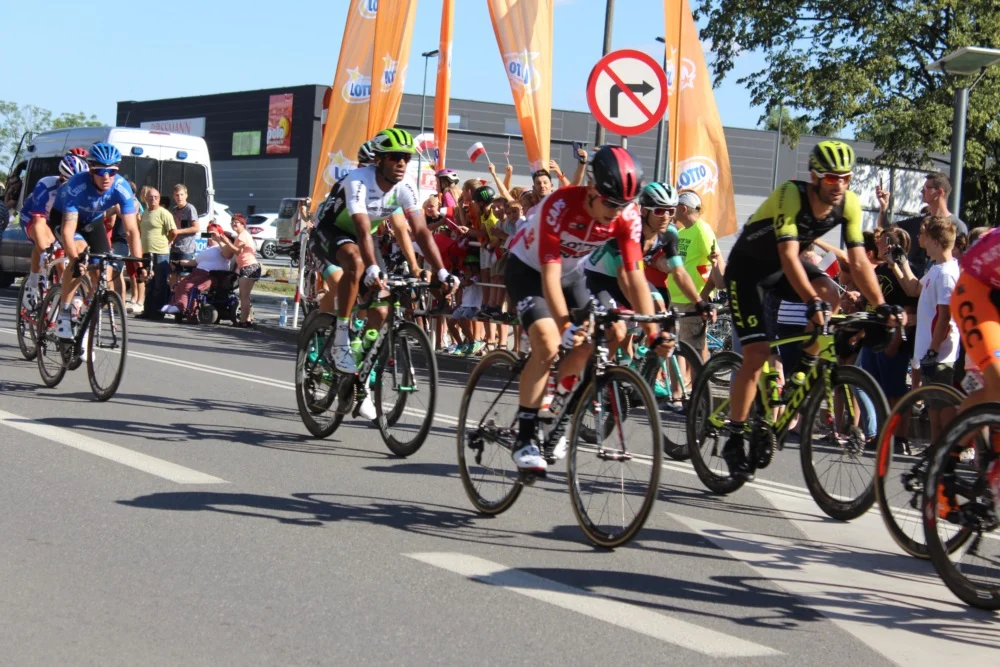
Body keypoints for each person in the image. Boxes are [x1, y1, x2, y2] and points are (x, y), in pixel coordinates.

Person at [721, 140, 903, 480]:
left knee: (830, 293)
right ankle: (734, 435)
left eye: (845, 178)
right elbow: (790, 256)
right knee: (757, 353)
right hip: (748, 271)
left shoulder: (849, 203)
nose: (839, 185)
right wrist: (810, 302)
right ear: (815, 176)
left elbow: (859, 262)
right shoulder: (791, 195)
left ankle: (802, 371)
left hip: (782, 270)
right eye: (831, 178)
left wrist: (881, 305)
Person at [503, 146, 674, 475]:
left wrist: (653, 333)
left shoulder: (626, 216)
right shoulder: (559, 206)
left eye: (623, 204)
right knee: (548, 342)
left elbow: (634, 276)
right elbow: (548, 276)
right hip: (528, 270)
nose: (616, 212)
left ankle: (553, 414)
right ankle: (524, 437)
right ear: (592, 190)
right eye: (610, 203)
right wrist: (564, 325)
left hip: (571, 275)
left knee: (590, 341)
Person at [311, 127, 458, 377]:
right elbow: (361, 228)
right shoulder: (357, 180)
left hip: (364, 239)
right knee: (355, 266)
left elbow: (420, 231)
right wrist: (371, 268)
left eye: (406, 158)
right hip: (332, 232)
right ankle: (340, 339)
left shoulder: (405, 186)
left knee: (381, 310)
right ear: (378, 160)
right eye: (394, 157)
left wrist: (441, 272)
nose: (402, 163)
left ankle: (361, 369)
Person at [50, 142, 148, 339]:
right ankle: (64, 314)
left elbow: (131, 231)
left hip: (93, 221)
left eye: (112, 172)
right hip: (66, 219)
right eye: (101, 171)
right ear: (91, 170)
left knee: (104, 268)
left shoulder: (122, 187)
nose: (106, 177)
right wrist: (75, 260)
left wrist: (139, 265)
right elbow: (68, 231)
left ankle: (87, 314)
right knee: (80, 256)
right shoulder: (76, 186)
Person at [19, 153, 90, 308]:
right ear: (61, 177)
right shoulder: (46, 185)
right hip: (34, 216)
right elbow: (39, 223)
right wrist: (44, 251)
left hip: (58, 219)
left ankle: (61, 295)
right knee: (45, 242)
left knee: (66, 258)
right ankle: (33, 283)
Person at [877, 172, 967, 278]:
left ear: (939, 192)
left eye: (926, 188)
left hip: (937, 282)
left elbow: (960, 263)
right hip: (912, 283)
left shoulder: (957, 226)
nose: (922, 191)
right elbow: (887, 228)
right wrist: (883, 207)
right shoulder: (920, 220)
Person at [669, 191, 720, 360]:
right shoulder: (682, 232)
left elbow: (716, 264)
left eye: (675, 206)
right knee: (676, 349)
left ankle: (702, 377)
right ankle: (684, 379)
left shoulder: (702, 231)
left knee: (693, 351)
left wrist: (703, 296)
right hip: (676, 299)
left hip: (693, 299)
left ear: (683, 209)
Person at [162, 223, 236, 315]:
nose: (210, 236)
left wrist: (218, 239)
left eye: (212, 233)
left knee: (189, 286)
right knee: (181, 284)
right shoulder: (207, 249)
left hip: (211, 275)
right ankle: (174, 304)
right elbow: (194, 262)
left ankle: (181, 307)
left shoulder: (222, 247)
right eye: (208, 233)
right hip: (198, 272)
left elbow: (228, 255)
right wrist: (177, 262)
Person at [216, 213, 260, 327]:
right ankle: (247, 319)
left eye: (236, 222)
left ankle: (243, 321)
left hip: (248, 266)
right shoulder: (243, 235)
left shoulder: (242, 235)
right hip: (250, 266)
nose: (233, 224)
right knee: (245, 295)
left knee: (243, 296)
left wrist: (227, 242)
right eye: (232, 222)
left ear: (242, 224)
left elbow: (237, 251)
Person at [140, 188, 176, 318]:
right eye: (150, 197)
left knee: (160, 284)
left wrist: (167, 242)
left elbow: (173, 232)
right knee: (149, 283)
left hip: (160, 253)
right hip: (146, 252)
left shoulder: (164, 213)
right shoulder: (145, 213)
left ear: (159, 199)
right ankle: (147, 311)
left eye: (156, 197)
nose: (153, 199)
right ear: (146, 199)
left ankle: (158, 312)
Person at [168, 183, 200, 286]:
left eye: (181, 195)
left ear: (186, 195)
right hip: (175, 248)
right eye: (177, 195)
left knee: (184, 276)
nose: (179, 197)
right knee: (172, 275)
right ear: (173, 196)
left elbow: (196, 228)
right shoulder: (174, 210)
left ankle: (182, 296)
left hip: (187, 249)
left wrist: (179, 231)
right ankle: (173, 295)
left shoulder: (190, 208)